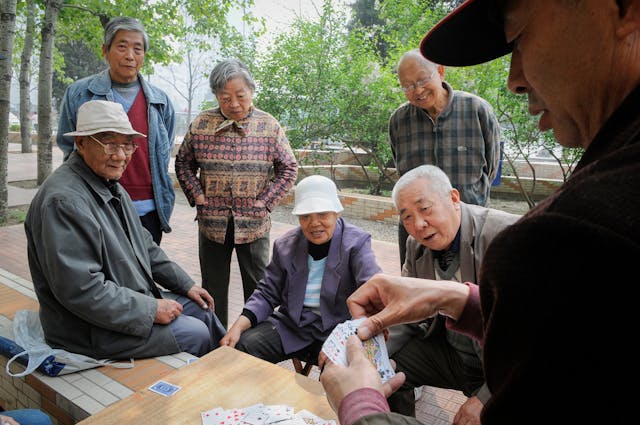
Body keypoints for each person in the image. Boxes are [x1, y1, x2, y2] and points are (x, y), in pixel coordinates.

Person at [320, 0, 640, 424]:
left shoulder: (554, 239)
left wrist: (361, 407)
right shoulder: (418, 237)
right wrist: (458, 298)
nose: (514, 80)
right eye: (406, 86)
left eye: (520, 39)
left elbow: (492, 168)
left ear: (625, 10)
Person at [25, 100, 225, 360]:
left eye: (127, 144)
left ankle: (228, 375)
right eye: (109, 144)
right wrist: (149, 309)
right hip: (86, 329)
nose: (120, 156)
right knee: (195, 332)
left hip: (125, 302)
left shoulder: (109, 184)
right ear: (81, 143)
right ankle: (197, 392)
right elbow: (82, 290)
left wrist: (185, 284)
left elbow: (143, 243)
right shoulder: (63, 201)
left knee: (203, 309)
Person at [386, 165, 519, 424]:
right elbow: (409, 314)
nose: (419, 225)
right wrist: (371, 352)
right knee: (389, 368)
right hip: (453, 355)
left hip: (502, 365)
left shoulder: (505, 235)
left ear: (453, 198)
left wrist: (485, 398)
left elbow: (532, 337)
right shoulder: (415, 247)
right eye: (407, 217)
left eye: (424, 209)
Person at [175, 58, 298, 328]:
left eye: (240, 96)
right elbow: (183, 162)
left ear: (251, 91)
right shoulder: (202, 123)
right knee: (212, 288)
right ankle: (215, 341)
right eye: (225, 97)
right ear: (216, 96)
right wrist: (197, 195)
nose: (234, 104)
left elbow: (289, 167)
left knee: (258, 289)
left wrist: (265, 203)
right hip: (212, 224)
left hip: (253, 224)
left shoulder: (269, 126)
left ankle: (253, 345)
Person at [220, 175, 382, 366]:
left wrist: (353, 334)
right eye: (306, 216)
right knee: (246, 345)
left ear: (336, 213)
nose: (314, 223)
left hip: (337, 329)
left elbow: (372, 286)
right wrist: (239, 325)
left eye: (322, 214)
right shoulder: (286, 245)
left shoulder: (356, 243)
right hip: (292, 326)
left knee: (341, 372)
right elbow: (267, 292)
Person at [57, 16, 176, 245]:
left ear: (144, 55)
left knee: (145, 275)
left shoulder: (161, 102)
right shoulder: (79, 94)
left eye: (137, 48)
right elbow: (68, 150)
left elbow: (165, 149)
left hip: (149, 211)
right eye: (122, 46)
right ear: (106, 50)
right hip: (97, 206)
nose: (130, 55)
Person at [389, 48, 501, 267]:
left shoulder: (477, 110)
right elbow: (403, 175)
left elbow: (490, 169)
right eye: (408, 86)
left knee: (473, 293)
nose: (417, 90)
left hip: (471, 227)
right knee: (419, 292)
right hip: (419, 232)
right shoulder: (399, 121)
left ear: (440, 71)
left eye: (422, 79)